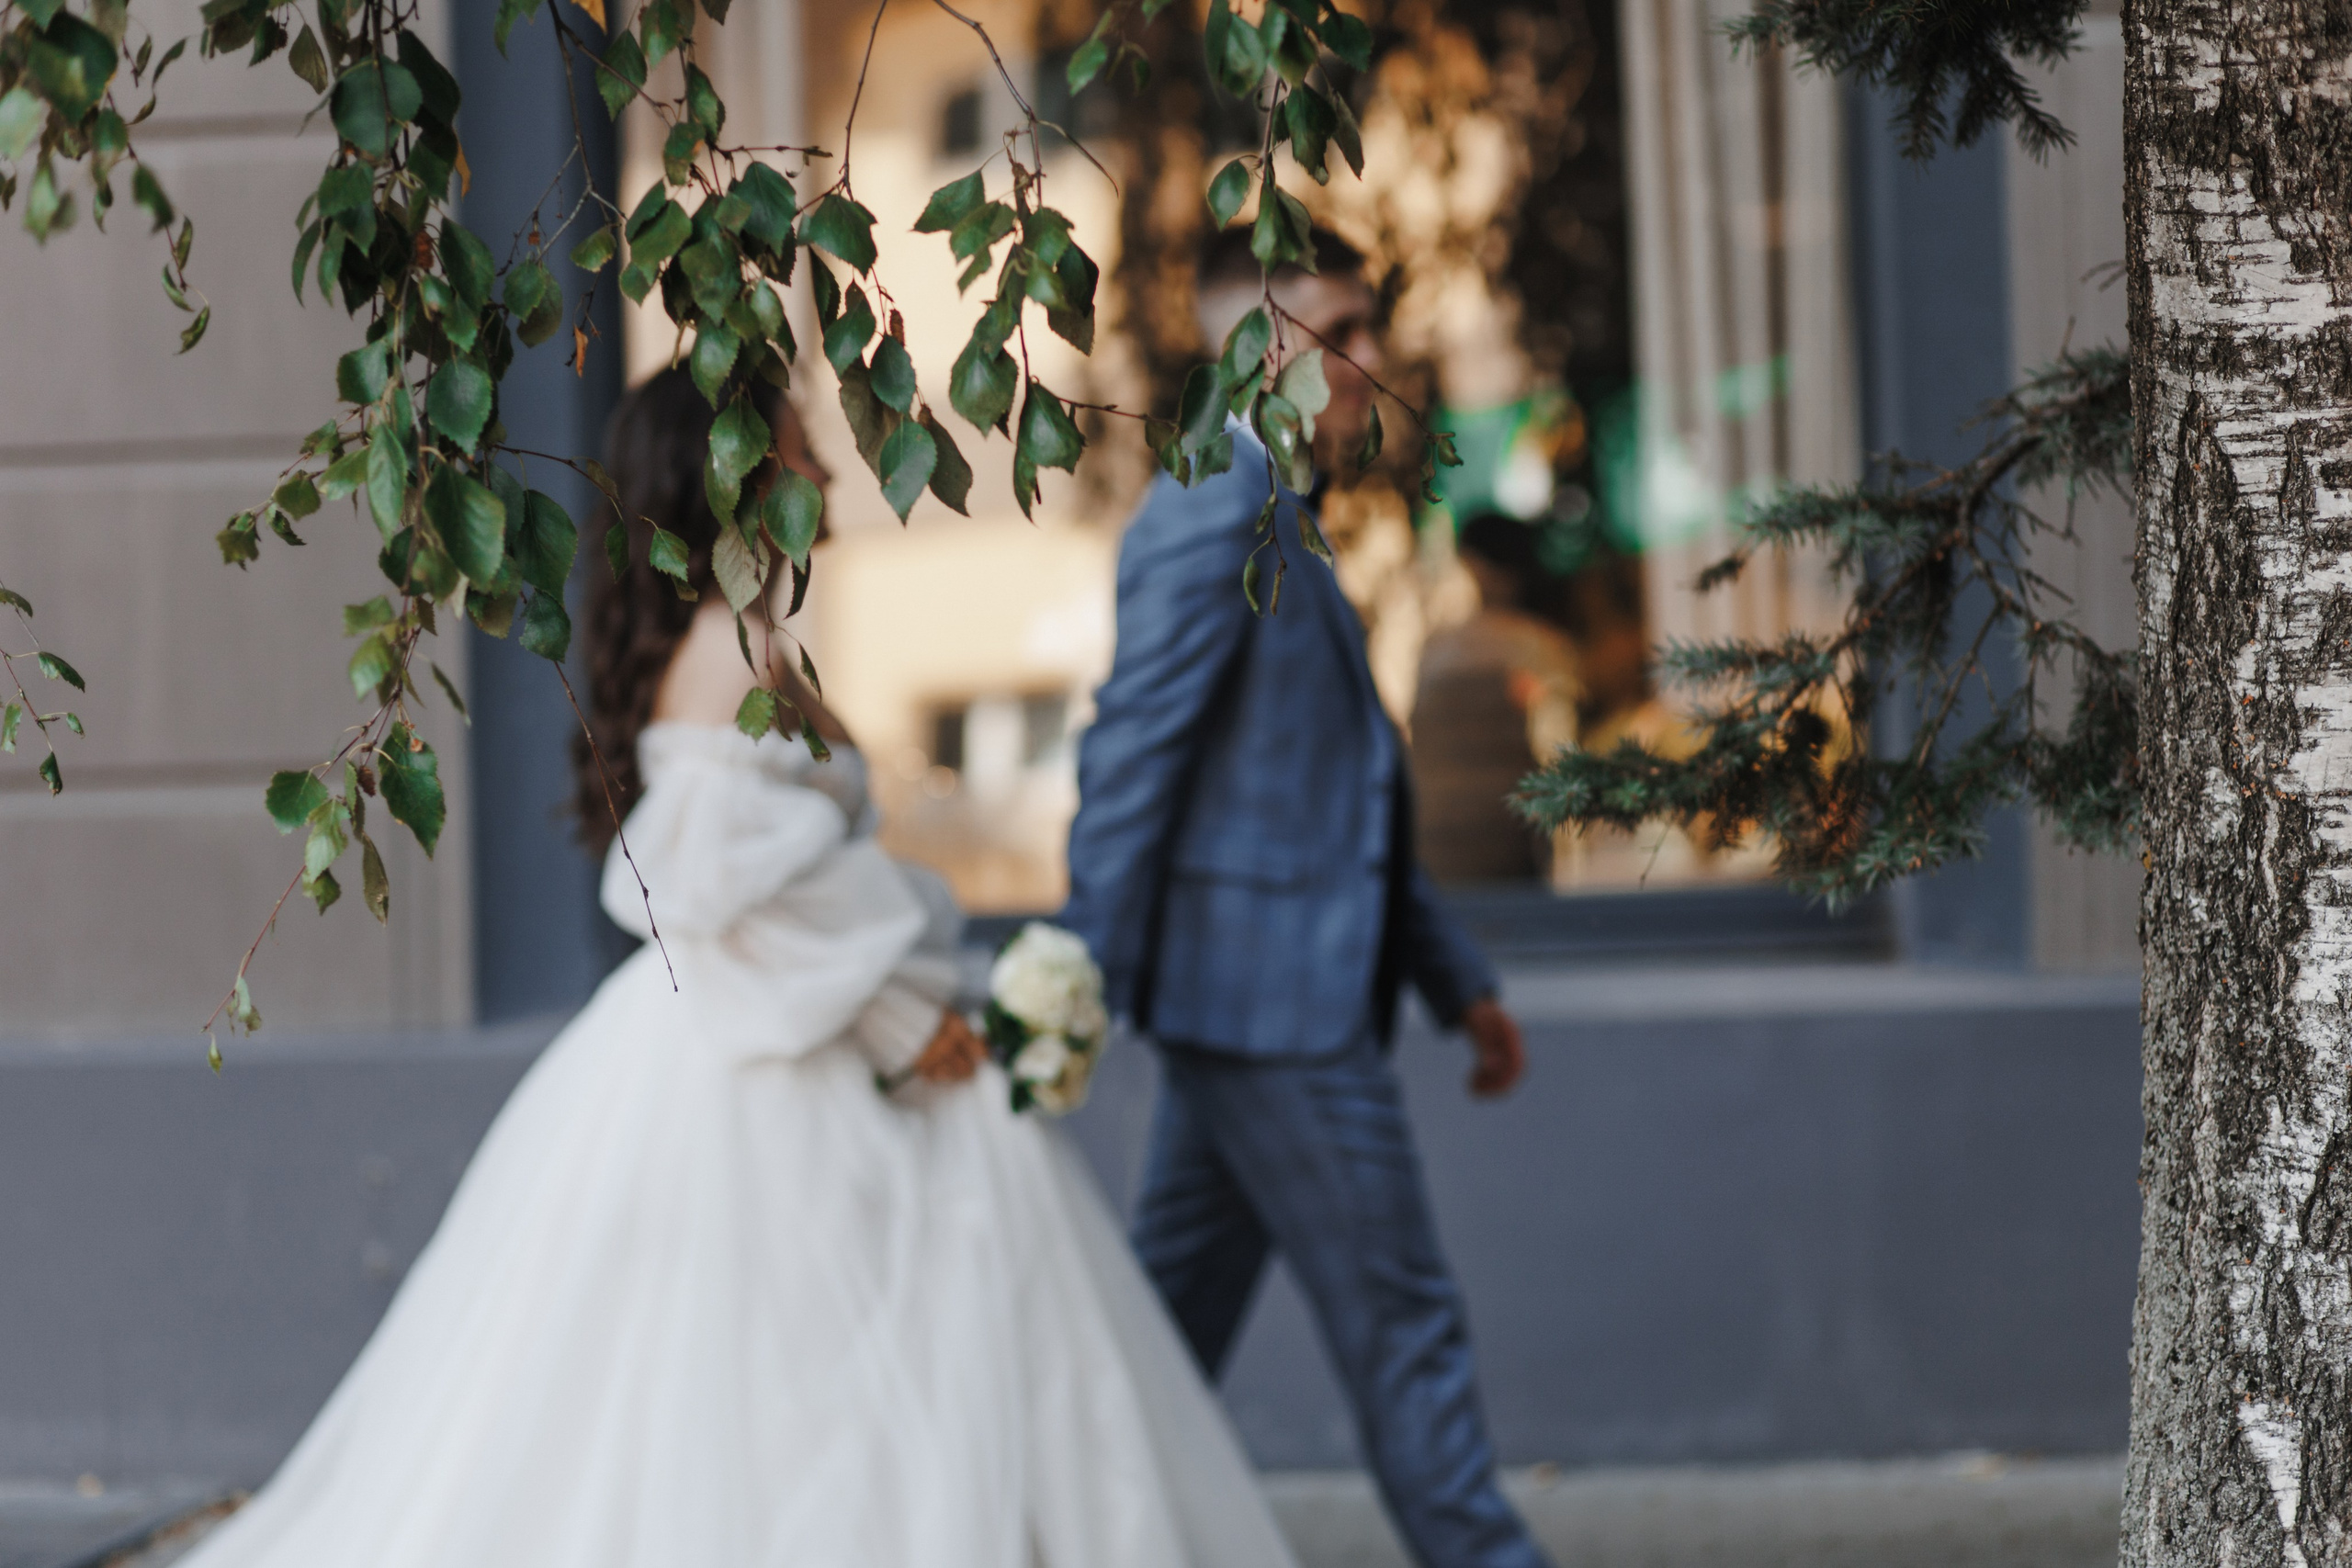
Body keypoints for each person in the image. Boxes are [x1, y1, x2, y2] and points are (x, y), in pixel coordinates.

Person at [173, 368, 1302, 1568]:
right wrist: (895, 1020)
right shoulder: (726, 645)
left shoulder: (741, 632)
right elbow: (713, 893)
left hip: (793, 1029)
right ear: (737, 480)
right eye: (801, 444)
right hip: (773, 1055)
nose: (824, 465)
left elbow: (770, 877)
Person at [1062, 230, 1553, 1568]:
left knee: (1160, 1336)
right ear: (1258, 350)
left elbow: (1330, 794)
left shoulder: (1276, 506)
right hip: (1275, 1008)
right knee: (1405, 1321)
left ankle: (1035, 1532)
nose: (1373, 360)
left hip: (1258, 994)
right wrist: (1066, 987)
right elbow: (1130, 755)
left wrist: (1456, 980)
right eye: (1343, 329)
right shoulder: (1220, 505)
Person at [1411, 512, 1582, 884]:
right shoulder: (1540, 648)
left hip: (1432, 848)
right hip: (1506, 849)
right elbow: (1558, 757)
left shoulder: (1434, 651)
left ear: (1475, 568)